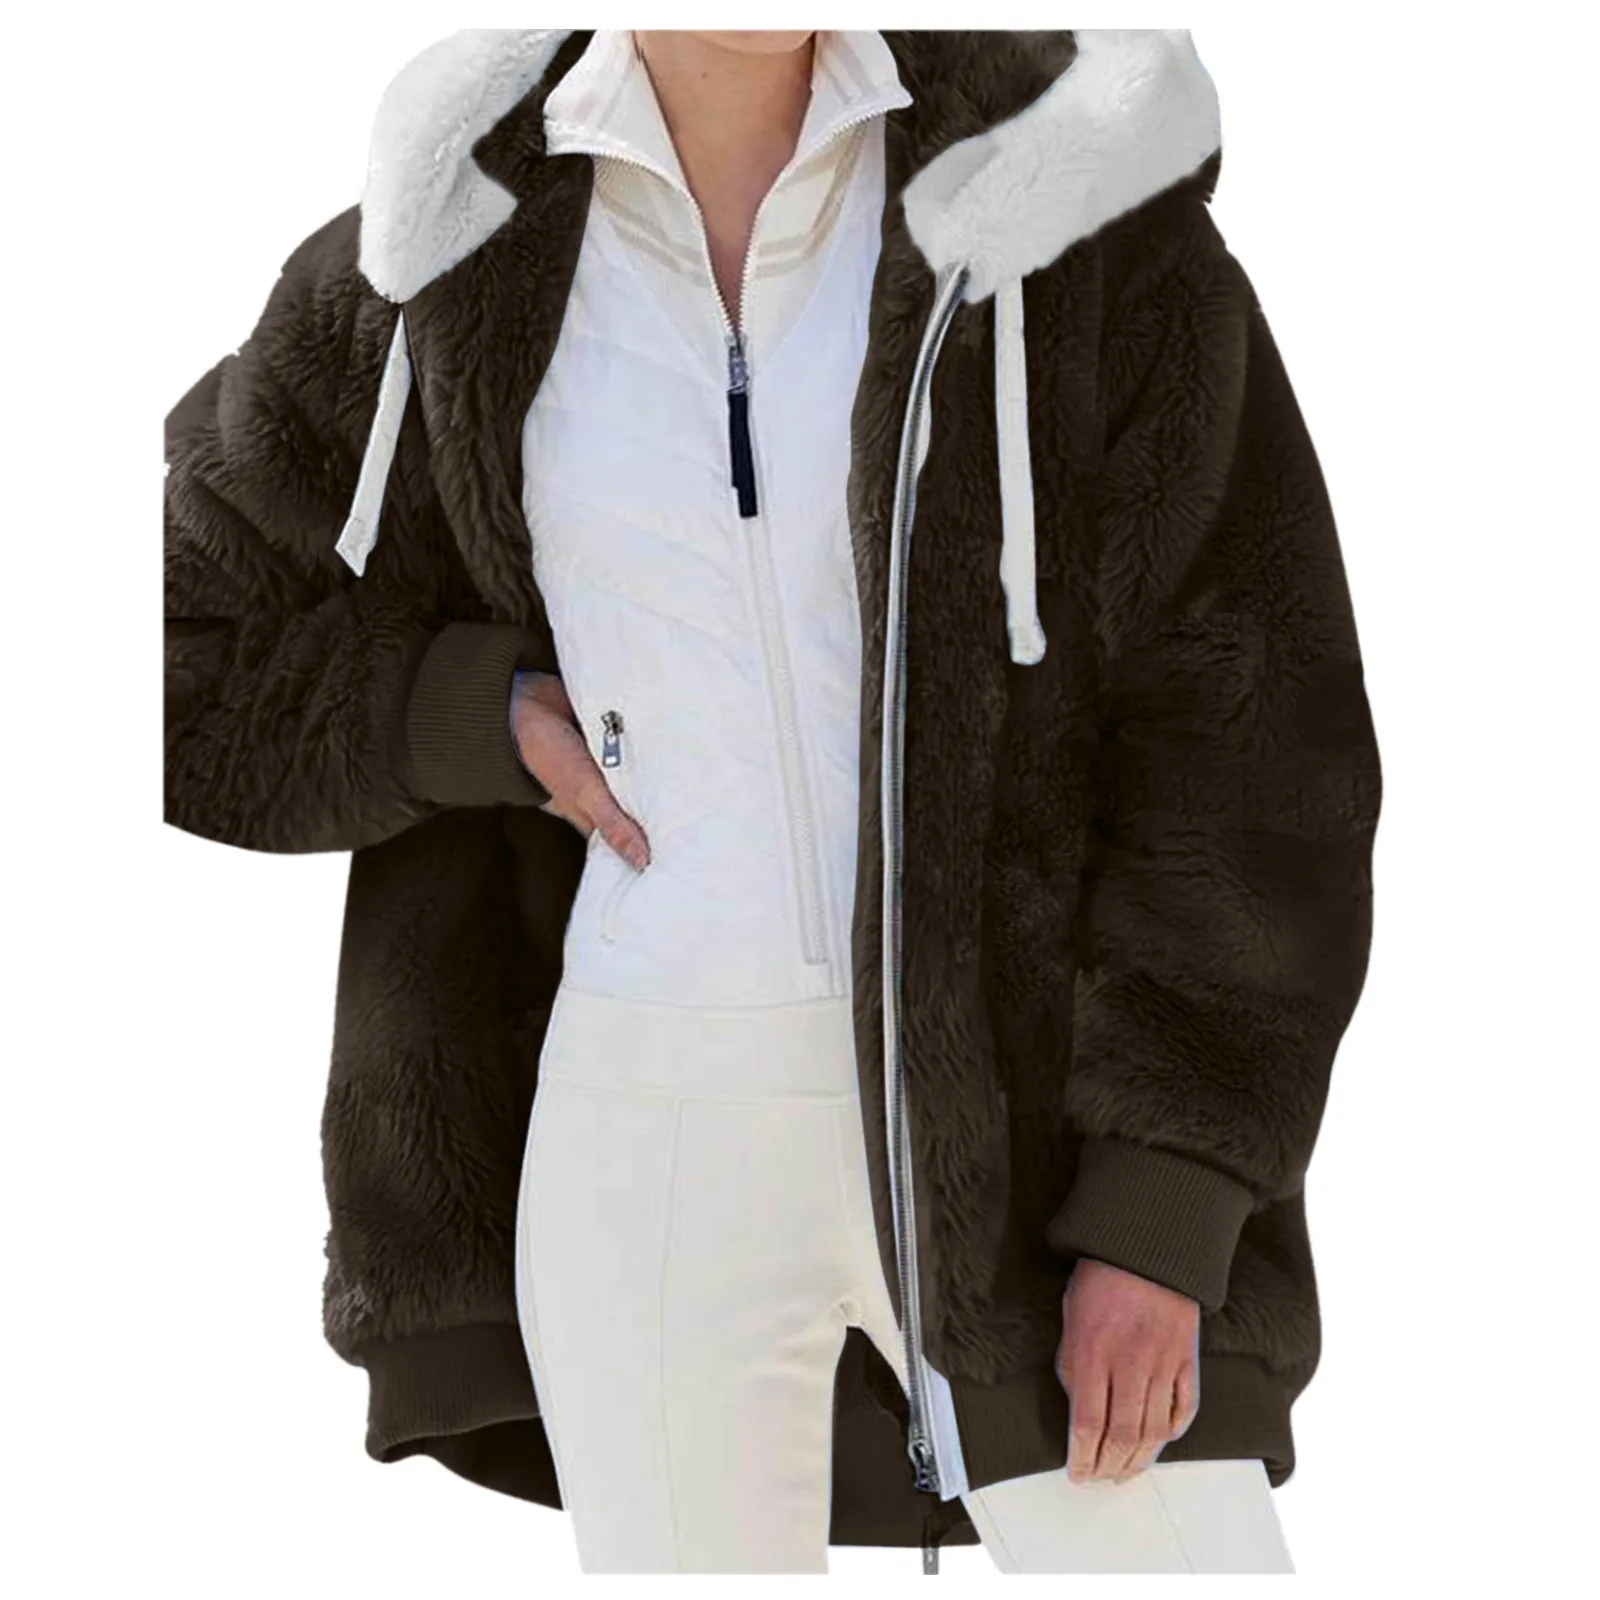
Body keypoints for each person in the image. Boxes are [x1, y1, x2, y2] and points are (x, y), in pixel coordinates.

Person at [163, 27, 1381, 1575]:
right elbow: (172, 648)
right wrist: (477, 717)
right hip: (648, 1130)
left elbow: (1252, 729)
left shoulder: (1066, 207)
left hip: (1020, 1127)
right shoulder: (441, 253)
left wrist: (1163, 1208)